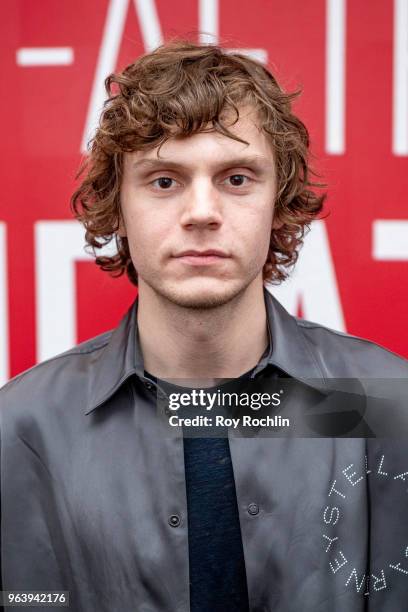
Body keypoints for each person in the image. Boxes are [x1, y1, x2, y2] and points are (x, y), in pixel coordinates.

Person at [1, 39, 407, 612]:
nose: (201, 211)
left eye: (237, 178)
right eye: (164, 180)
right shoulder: (22, 428)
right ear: (118, 206)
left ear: (279, 201)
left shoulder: (387, 404)